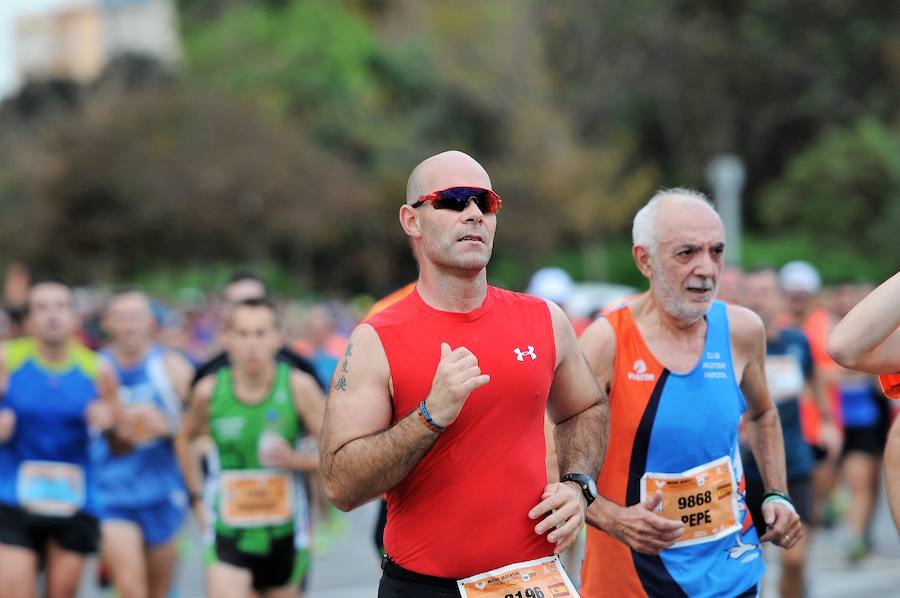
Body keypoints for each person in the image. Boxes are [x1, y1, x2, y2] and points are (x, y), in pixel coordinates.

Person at [319, 150, 609, 598]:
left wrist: (578, 485)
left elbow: (586, 406)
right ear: (411, 220)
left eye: (485, 202)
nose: (473, 213)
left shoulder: (544, 319)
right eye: (453, 200)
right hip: (424, 586)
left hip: (529, 581)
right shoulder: (374, 340)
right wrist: (429, 416)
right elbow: (341, 485)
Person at [578, 189, 802, 598]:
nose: (706, 269)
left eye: (716, 252)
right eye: (686, 253)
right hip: (631, 580)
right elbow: (551, 461)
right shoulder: (607, 341)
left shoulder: (742, 331)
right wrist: (612, 518)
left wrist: (776, 492)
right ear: (644, 259)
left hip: (730, 573)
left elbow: (763, 414)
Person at [176, 297, 325, 598]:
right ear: (227, 339)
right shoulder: (209, 391)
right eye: (243, 334)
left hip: (285, 533)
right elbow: (184, 438)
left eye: (260, 333)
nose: (252, 343)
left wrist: (297, 461)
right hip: (228, 530)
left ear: (277, 338)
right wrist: (196, 499)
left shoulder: (299, 387)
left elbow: (337, 453)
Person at [0, 279, 125, 598]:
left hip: (74, 498)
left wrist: (109, 425)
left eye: (60, 307)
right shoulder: (6, 361)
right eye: (41, 308)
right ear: (28, 320)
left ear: (75, 318)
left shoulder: (98, 370)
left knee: (62, 591)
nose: (52, 315)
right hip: (12, 496)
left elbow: (123, 444)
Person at [741, 266, 838, 596]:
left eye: (765, 292)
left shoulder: (797, 342)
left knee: (795, 559)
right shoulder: (730, 344)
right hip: (742, 470)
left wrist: (827, 421)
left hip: (792, 464)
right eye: (750, 292)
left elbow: (815, 378)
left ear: (780, 299)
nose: (757, 300)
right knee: (749, 566)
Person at [93, 290, 195, 598]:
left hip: (162, 492)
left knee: (158, 591)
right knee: (131, 589)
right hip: (112, 494)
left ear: (151, 322)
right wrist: (97, 422)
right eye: (121, 318)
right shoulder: (94, 368)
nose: (129, 326)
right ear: (108, 323)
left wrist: (170, 427)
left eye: (136, 317)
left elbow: (201, 428)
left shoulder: (172, 367)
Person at [827, 271, 900, 529]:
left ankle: (858, 535)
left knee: (862, 481)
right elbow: (845, 348)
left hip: (866, 415)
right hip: (840, 417)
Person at [192, 272, 321, 390]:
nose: (246, 311)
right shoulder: (206, 378)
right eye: (236, 304)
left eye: (254, 302)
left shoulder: (301, 372)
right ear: (224, 310)